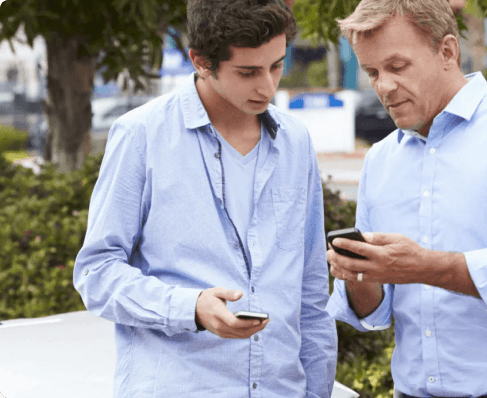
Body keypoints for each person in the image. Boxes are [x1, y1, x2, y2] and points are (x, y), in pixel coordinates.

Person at [73, 0, 337, 397]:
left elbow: (311, 293)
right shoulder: (141, 135)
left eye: (277, 65)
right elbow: (96, 273)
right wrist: (190, 307)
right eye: (248, 72)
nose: (267, 86)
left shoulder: (296, 142)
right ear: (201, 61)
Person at [325, 0, 487, 397]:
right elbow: (374, 315)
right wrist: (360, 272)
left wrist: (426, 267)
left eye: (397, 67)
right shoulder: (380, 160)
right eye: (372, 72)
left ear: (447, 51)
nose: (383, 86)